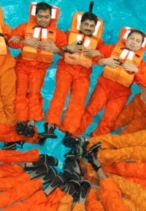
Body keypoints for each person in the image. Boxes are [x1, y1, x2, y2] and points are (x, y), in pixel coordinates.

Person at [68, 28, 146, 139]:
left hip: (120, 95)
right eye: (131, 38)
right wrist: (104, 61)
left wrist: (136, 71)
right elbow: (93, 56)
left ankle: (93, 142)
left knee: (108, 120)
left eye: (138, 41)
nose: (133, 42)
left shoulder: (141, 64)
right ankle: (75, 133)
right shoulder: (111, 49)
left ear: (141, 46)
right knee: (90, 111)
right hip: (103, 87)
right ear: (126, 39)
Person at [43, 10, 105, 142]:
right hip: (66, 68)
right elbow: (59, 50)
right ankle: (50, 124)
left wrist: (97, 54)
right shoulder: (68, 35)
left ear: (95, 28)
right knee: (60, 94)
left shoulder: (99, 44)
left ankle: (70, 131)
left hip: (83, 73)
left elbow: (100, 60)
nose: (88, 28)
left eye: (91, 26)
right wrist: (67, 48)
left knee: (78, 101)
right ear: (80, 25)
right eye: (86, 24)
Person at [8, 2, 68, 137]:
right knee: (20, 92)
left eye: (46, 17)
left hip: (40, 68)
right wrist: (24, 41)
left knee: (34, 92)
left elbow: (67, 53)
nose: (43, 19)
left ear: (51, 17)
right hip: (22, 65)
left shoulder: (58, 34)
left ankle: (31, 121)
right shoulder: (23, 28)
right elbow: (11, 43)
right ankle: (20, 120)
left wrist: (56, 49)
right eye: (40, 16)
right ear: (35, 16)